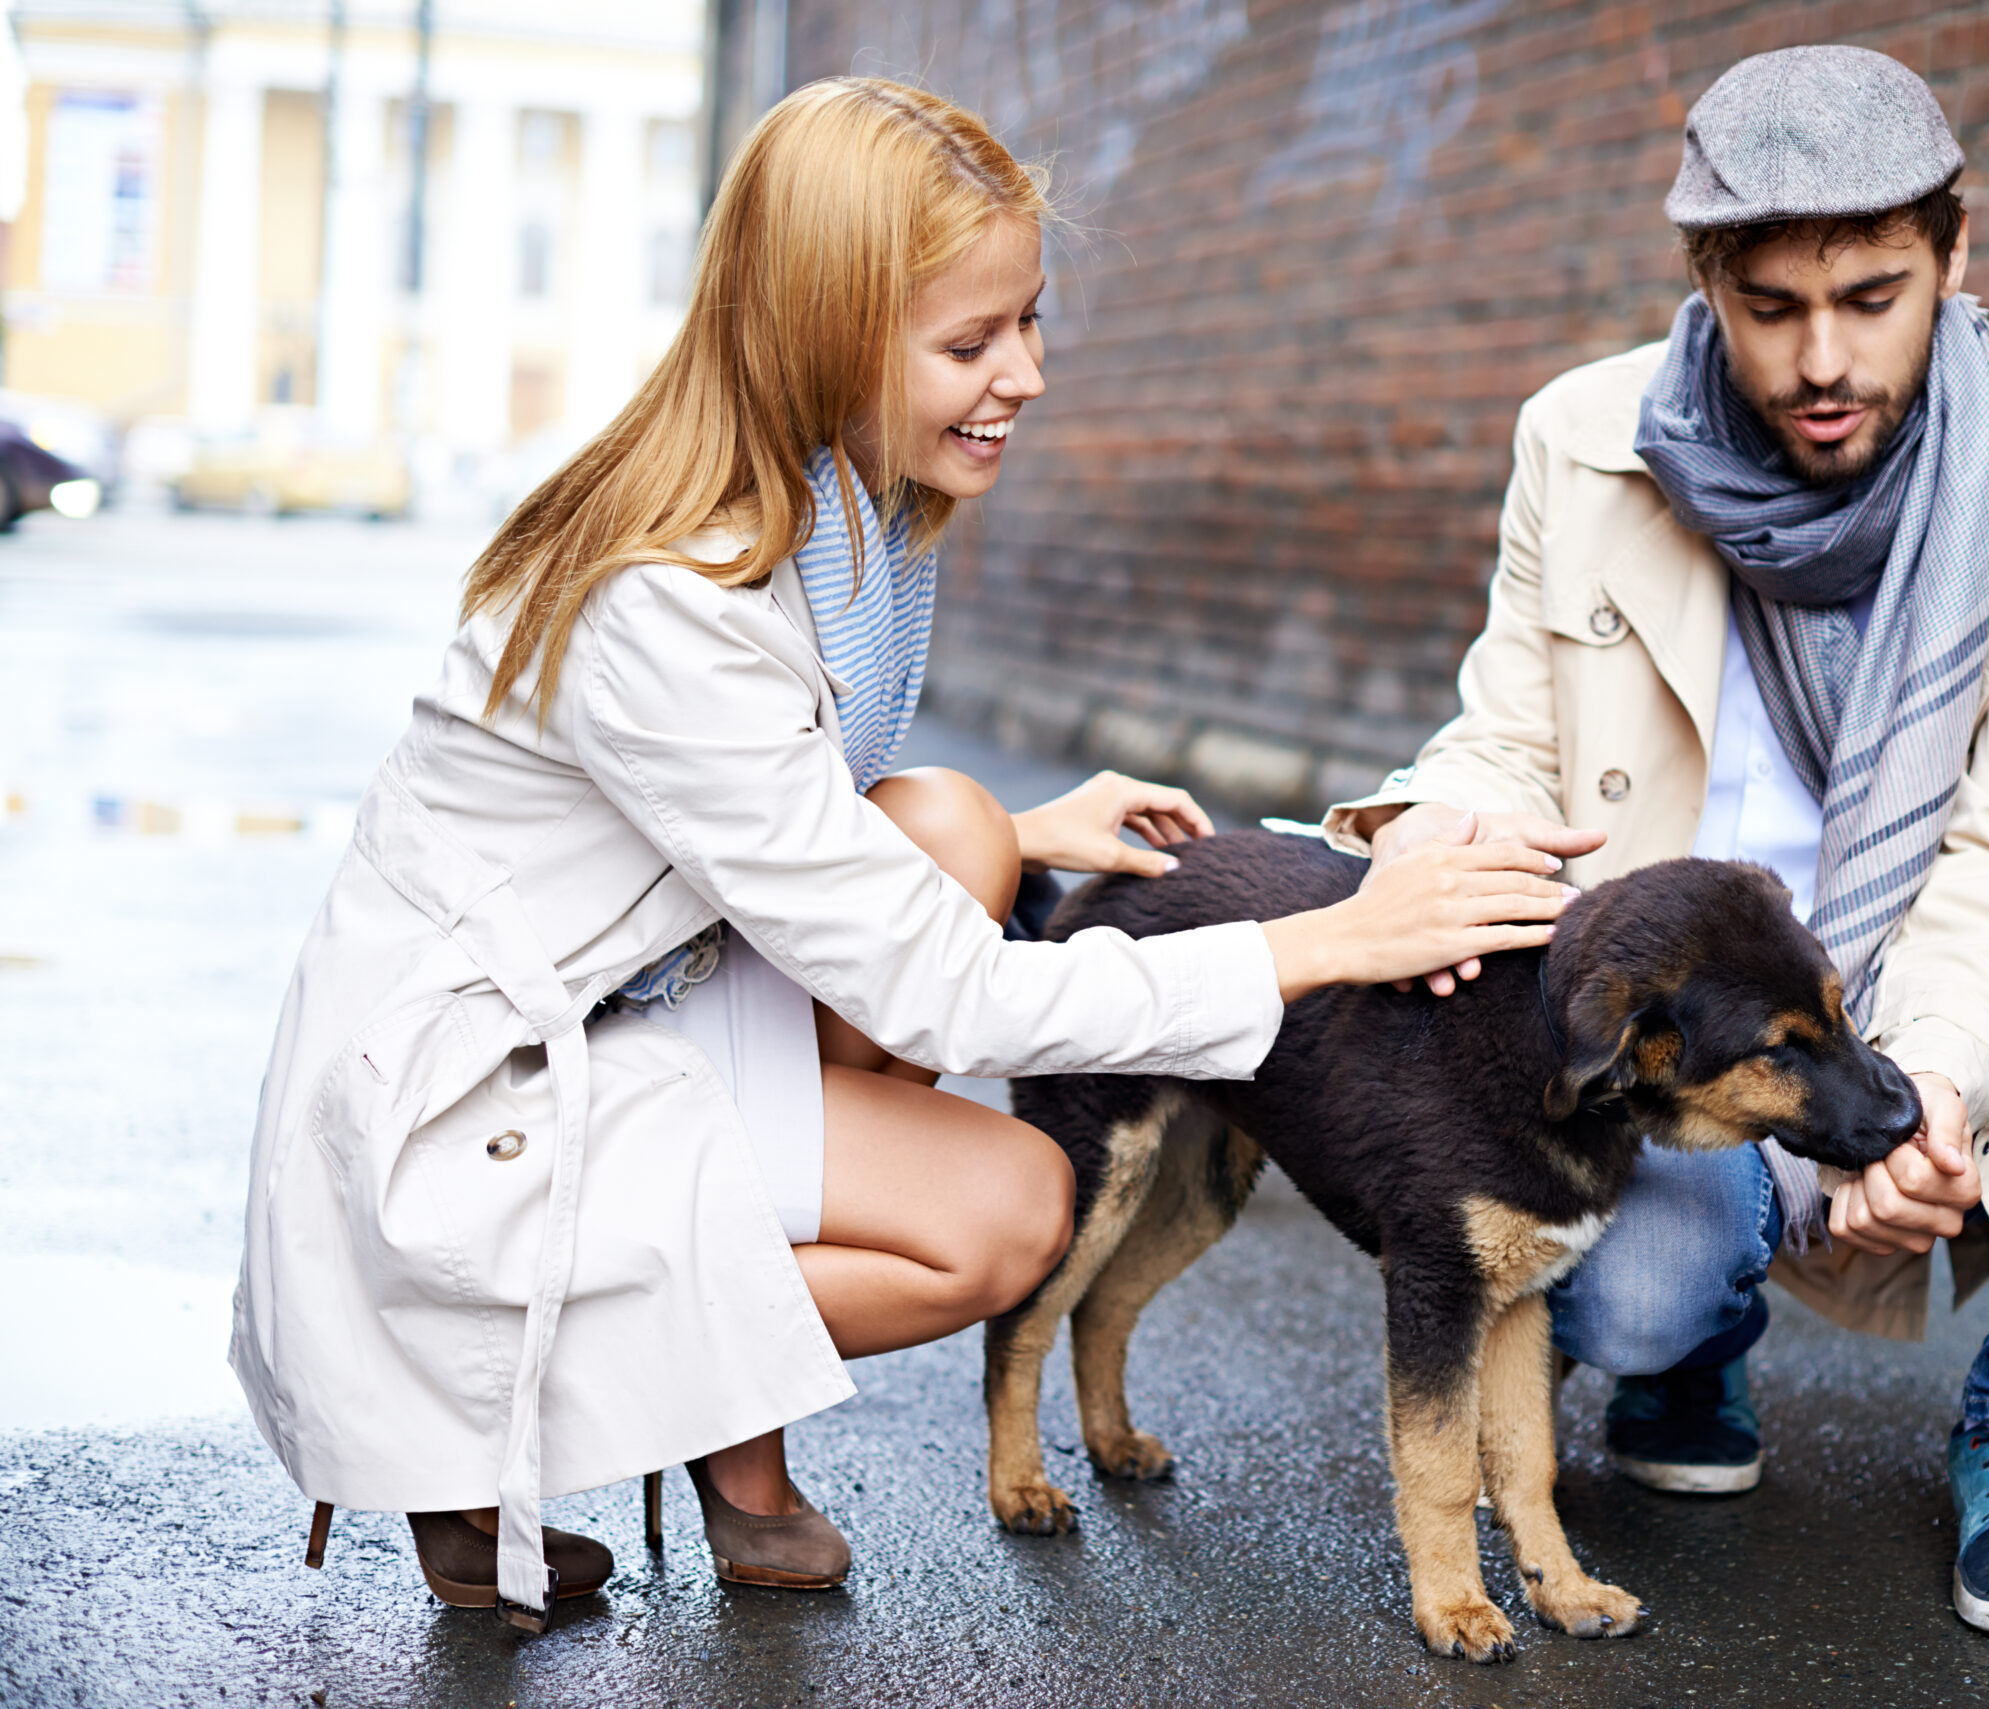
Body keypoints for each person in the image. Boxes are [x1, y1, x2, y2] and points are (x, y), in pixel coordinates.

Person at [230, 77, 1569, 1630]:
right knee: (1010, 1211)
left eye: (1030, 323)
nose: (1029, 375)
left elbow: (806, 817)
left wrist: (1025, 827)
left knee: (951, 823)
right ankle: (462, 1409)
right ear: (824, 335)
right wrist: (1320, 940)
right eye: (972, 343)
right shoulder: (669, 600)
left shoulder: (829, 502)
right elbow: (945, 999)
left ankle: (730, 1431)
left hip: (618, 1012)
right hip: (465, 1118)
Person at [1322, 46, 1989, 1639]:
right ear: (1706, 282)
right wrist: (1429, 834)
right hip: (1693, 1017)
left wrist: (1935, 1087)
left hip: (1935, 981)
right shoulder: (1586, 441)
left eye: (1873, 294)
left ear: (1954, 258)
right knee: (1637, 1303)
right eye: (1771, 308)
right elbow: (1507, 734)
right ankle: (1687, 1354)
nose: (1823, 358)